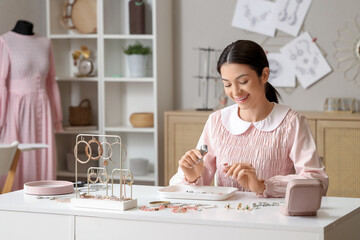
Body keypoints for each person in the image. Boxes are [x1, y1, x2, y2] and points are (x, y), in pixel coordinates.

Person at [170, 40, 329, 198]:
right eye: (227, 84)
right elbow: (188, 186)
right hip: (225, 219)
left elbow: (317, 182)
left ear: (264, 75)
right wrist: (192, 176)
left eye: (243, 81)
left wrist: (262, 186)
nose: (236, 92)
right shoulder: (217, 121)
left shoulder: (291, 122)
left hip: (275, 219)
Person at [0, 20, 63, 191]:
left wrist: (58, 119)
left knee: (44, 156)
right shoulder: (5, 41)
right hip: (16, 109)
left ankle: (46, 199)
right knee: (17, 160)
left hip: (43, 107)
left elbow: (51, 81)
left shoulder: (45, 43)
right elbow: (1, 84)